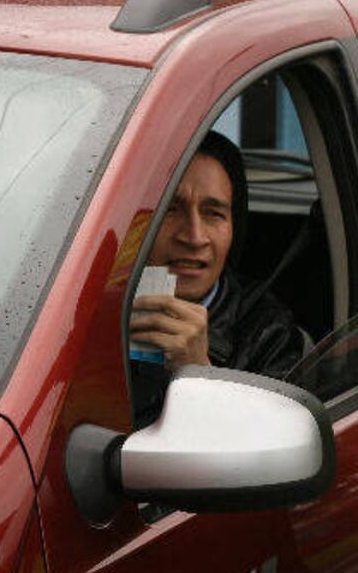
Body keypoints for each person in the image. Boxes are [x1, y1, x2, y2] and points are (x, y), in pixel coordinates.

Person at [129, 131, 307, 424]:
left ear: (234, 228)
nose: (194, 236)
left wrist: (200, 375)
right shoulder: (85, 307)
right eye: (171, 210)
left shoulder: (269, 334)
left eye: (213, 214)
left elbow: (259, 460)